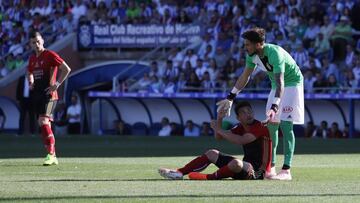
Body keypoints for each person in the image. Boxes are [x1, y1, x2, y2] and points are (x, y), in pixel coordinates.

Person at [216, 27, 304, 180]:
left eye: (248, 44)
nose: (245, 47)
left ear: (258, 45)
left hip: (292, 84)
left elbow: (281, 82)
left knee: (285, 125)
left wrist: (274, 107)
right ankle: (271, 168)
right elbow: (245, 77)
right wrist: (230, 97)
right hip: (277, 87)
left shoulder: (275, 53)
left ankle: (286, 170)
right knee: (271, 128)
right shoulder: (252, 56)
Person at [158, 101, 272, 180]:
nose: (248, 114)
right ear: (238, 118)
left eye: (250, 111)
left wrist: (218, 128)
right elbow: (219, 137)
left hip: (259, 172)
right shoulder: (240, 127)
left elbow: (241, 140)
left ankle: (209, 177)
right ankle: (179, 172)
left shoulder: (260, 126)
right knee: (211, 153)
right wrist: (220, 118)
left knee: (236, 163)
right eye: (244, 112)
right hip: (244, 168)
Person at [27, 31, 71, 166]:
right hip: (38, 95)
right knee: (45, 124)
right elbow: (29, 72)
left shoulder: (50, 55)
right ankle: (53, 155)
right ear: (30, 44)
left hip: (50, 95)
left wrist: (56, 85)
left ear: (43, 41)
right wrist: (31, 81)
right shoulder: (32, 58)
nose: (36, 44)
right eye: (34, 42)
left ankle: (51, 154)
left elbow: (66, 69)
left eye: (38, 41)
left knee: (43, 121)